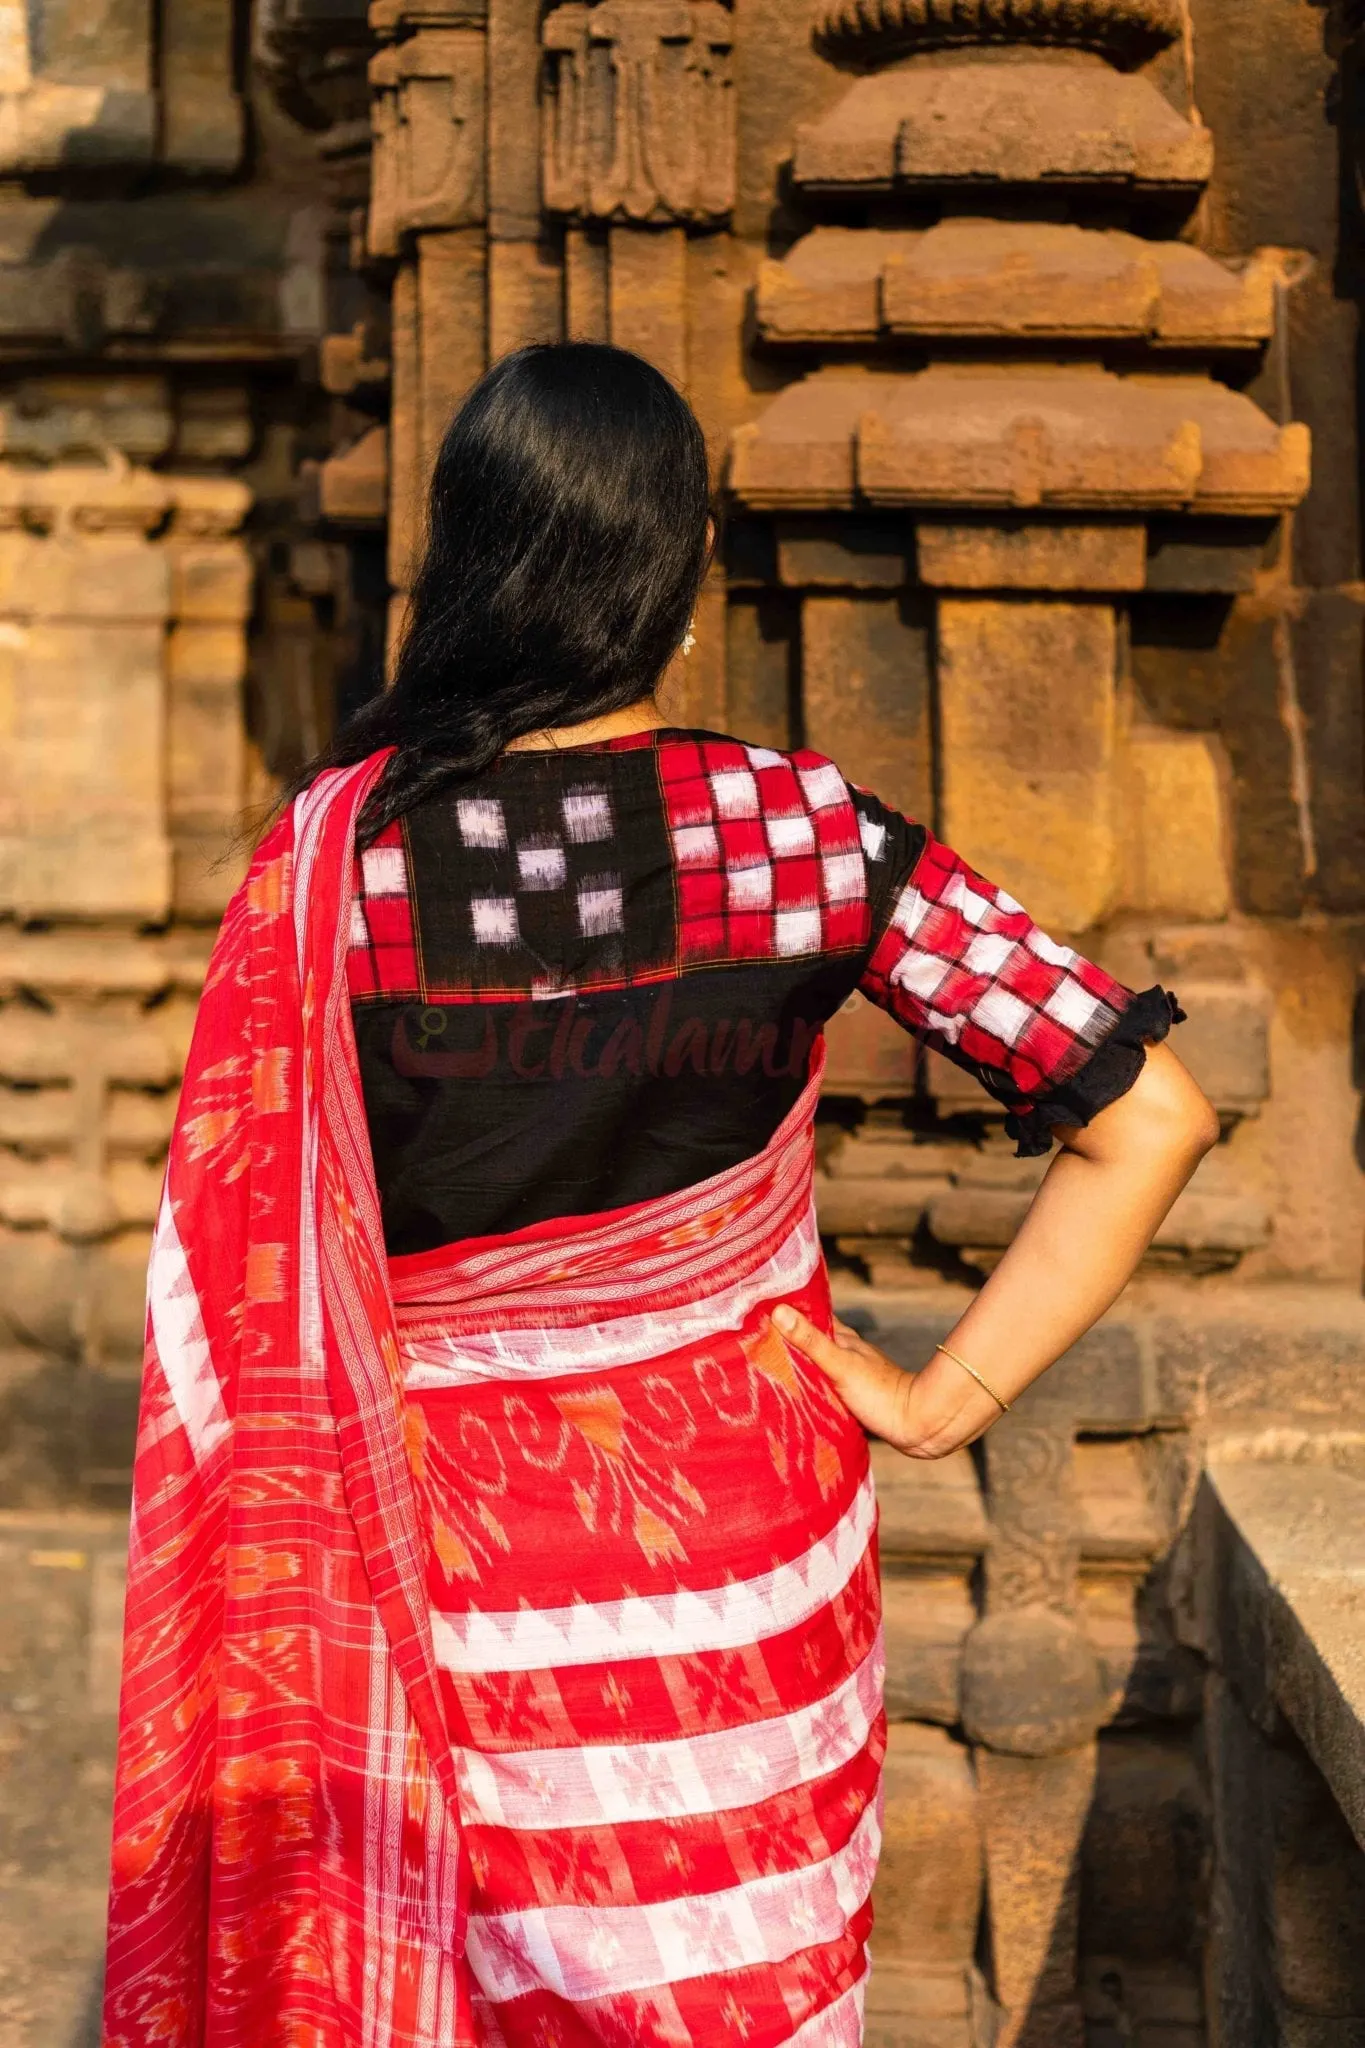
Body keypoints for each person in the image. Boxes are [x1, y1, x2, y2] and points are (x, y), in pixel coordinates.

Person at [103, 343, 1218, 2048]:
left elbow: (249, 1283)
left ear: (466, 558)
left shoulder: (338, 869)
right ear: (684, 574)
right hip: (747, 1542)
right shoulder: (807, 837)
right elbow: (1153, 1116)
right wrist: (940, 1405)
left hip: (434, 1573)